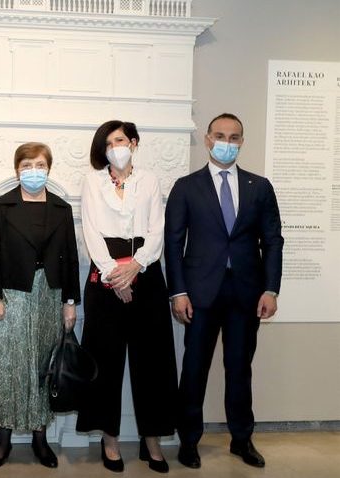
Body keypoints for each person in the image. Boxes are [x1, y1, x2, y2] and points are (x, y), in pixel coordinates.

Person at [165, 113, 283, 469]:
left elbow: (273, 241)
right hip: (200, 294)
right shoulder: (186, 187)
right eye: (220, 136)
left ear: (241, 142)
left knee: (239, 368)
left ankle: (242, 439)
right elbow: (173, 244)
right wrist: (178, 292)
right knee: (194, 369)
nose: (226, 143)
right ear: (207, 139)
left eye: (233, 137)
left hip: (246, 294)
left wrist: (271, 289)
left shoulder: (259, 187)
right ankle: (188, 441)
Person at [75, 121, 177, 473]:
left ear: (133, 143)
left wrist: (136, 266)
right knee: (105, 360)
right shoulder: (93, 181)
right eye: (107, 144)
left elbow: (157, 229)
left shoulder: (149, 180)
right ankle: (110, 438)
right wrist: (113, 275)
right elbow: (91, 230)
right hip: (106, 275)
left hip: (145, 270)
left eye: (119, 140)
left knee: (153, 360)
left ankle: (153, 439)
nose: (114, 148)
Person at [0, 142, 80, 470]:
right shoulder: (1, 206)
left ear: (48, 169)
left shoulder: (62, 209)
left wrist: (70, 303)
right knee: (7, 365)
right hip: (11, 295)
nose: (33, 171)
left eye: (39, 165)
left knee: (42, 365)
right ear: (17, 170)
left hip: (49, 295)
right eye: (26, 165)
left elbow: (71, 258)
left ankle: (40, 438)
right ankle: (3, 439)